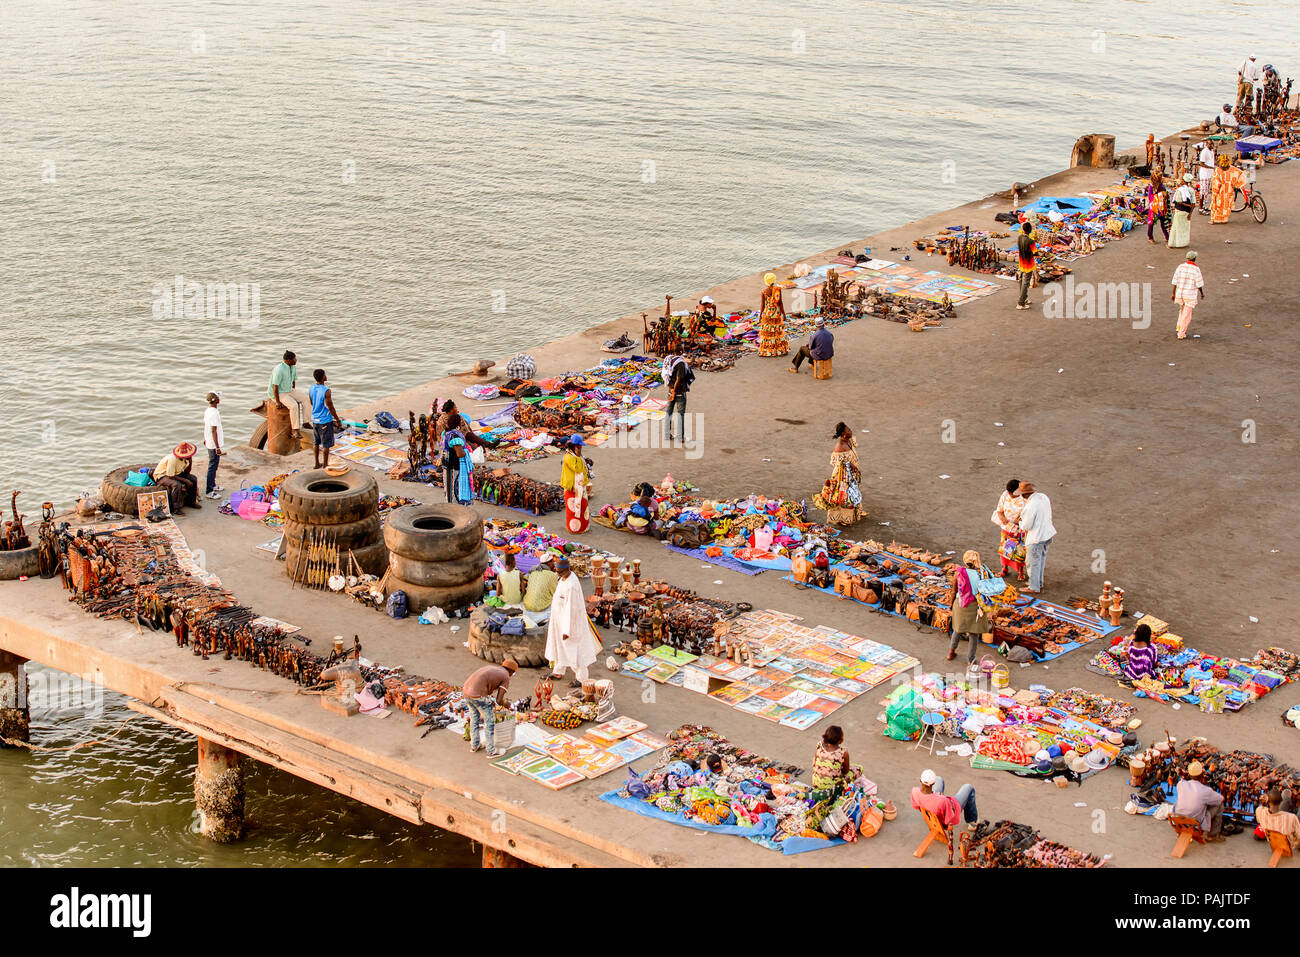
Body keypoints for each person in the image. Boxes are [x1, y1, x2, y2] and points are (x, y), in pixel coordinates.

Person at [544, 557, 602, 687]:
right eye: (557, 571)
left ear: (568, 569)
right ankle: (558, 671)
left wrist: (567, 630)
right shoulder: (563, 578)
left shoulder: (572, 585)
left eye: (560, 572)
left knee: (574, 651)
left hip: (569, 625)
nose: (558, 574)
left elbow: (572, 610)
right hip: (559, 621)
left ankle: (581, 678)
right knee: (559, 646)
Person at [462, 659, 518, 757]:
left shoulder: (491, 668)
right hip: (478, 696)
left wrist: (487, 699)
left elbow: (482, 684)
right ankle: (491, 751)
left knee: (474, 718)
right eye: (512, 674)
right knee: (489, 722)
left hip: (466, 692)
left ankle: (474, 745)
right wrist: (507, 705)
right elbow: (499, 700)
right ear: (511, 671)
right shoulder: (505, 677)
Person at [812, 422, 863, 526]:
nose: (850, 431)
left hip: (850, 474)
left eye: (849, 429)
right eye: (848, 430)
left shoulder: (849, 441)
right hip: (842, 475)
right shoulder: (839, 446)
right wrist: (850, 465)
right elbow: (838, 463)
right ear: (843, 434)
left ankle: (850, 516)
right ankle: (843, 519)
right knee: (844, 496)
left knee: (852, 493)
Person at [946, 550, 991, 665]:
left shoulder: (959, 572)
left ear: (965, 561)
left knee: (957, 629)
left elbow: (953, 591)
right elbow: (986, 591)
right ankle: (970, 660)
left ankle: (951, 652)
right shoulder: (981, 573)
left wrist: (951, 605)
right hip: (975, 606)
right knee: (973, 634)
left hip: (960, 604)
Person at [1016, 481, 1055, 595]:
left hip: (1036, 537)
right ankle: (1038, 582)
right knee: (1041, 560)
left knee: (1032, 562)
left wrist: (1020, 523)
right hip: (1047, 533)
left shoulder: (1030, 505)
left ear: (1024, 495)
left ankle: (1034, 586)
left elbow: (1027, 525)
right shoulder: (1043, 497)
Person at [912, 768, 978, 832]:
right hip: (946, 810)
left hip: (932, 807)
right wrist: (944, 800)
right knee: (968, 787)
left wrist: (938, 796)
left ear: (920, 780)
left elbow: (916, 806)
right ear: (933, 783)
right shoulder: (943, 800)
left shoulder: (915, 791)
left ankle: (937, 796)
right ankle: (972, 822)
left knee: (939, 779)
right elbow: (950, 818)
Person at [1174, 761, 1225, 841]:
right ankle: (1213, 835)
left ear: (1189, 775)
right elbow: (1220, 799)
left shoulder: (1181, 784)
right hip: (1195, 821)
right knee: (1220, 805)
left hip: (1178, 817)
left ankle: (1181, 829)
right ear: (1202, 775)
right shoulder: (1205, 790)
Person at [810, 725, 861, 805]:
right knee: (858, 768)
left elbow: (815, 762)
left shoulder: (819, 745)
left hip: (815, 783)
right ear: (840, 740)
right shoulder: (843, 752)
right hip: (832, 788)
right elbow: (846, 770)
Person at [991, 478, 1027, 582]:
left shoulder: (1024, 499)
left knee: (1019, 552)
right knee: (1006, 551)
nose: (1010, 494)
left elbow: (1028, 515)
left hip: (1019, 530)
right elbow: (999, 510)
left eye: (1012, 492)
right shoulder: (1005, 494)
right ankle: (1005, 568)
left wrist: (1019, 520)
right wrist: (1003, 519)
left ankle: (1020, 571)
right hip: (1007, 529)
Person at [268, 350, 310, 433]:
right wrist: (277, 401)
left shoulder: (293, 367)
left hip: (289, 390)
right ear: (288, 360)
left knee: (306, 399)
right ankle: (295, 429)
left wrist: (293, 392)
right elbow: (275, 386)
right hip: (279, 393)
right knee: (293, 406)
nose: (296, 360)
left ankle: (306, 422)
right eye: (294, 359)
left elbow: (293, 380)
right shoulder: (279, 369)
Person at [308, 369, 343, 469]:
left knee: (316, 442)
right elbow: (331, 407)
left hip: (315, 419)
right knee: (326, 444)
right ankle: (325, 464)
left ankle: (316, 463)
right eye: (325, 374)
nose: (326, 376)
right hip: (325, 420)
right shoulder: (326, 391)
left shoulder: (311, 388)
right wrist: (337, 419)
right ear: (323, 377)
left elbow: (311, 402)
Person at [155, 442, 201, 513]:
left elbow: (187, 472)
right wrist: (185, 481)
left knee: (193, 479)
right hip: (162, 475)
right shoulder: (172, 459)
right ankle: (176, 508)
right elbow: (170, 475)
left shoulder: (185, 459)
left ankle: (191, 502)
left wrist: (190, 461)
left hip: (176, 473)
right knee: (176, 485)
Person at [440, 412, 474, 504]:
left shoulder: (447, 433)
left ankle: (451, 506)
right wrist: (466, 452)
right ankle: (455, 509)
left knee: (449, 487)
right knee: (455, 488)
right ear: (458, 423)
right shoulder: (454, 436)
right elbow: (459, 453)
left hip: (448, 465)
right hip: (454, 465)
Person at [1171, 251, 1206, 341]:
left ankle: (1179, 327)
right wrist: (1201, 293)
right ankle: (1181, 333)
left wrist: (1173, 293)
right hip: (1189, 295)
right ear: (1195, 258)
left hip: (1180, 293)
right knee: (1187, 315)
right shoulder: (1196, 269)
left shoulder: (1180, 267)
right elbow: (1199, 284)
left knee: (1182, 310)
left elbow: (1175, 281)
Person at [560, 435, 591, 534]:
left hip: (580, 485)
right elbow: (577, 469)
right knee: (573, 509)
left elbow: (582, 466)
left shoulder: (575, 455)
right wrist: (578, 455)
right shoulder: (569, 457)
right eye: (579, 446)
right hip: (572, 487)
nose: (581, 448)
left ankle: (584, 527)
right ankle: (575, 529)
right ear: (574, 446)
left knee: (583, 507)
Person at [661, 354, 692, 443]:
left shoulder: (668, 359)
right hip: (679, 392)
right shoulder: (680, 363)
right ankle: (680, 437)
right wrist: (674, 391)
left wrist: (671, 389)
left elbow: (664, 374)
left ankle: (667, 435)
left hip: (670, 390)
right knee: (680, 414)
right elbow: (679, 378)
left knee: (668, 412)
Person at [757, 272, 788, 357]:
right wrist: (784, 314)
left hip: (767, 314)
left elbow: (762, 305)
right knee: (776, 332)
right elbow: (780, 303)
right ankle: (778, 350)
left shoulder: (764, 292)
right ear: (773, 280)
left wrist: (760, 316)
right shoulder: (777, 290)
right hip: (775, 313)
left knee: (768, 333)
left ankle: (767, 352)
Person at [1210, 155, 1247, 225]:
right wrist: (1236, 185)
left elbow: (1216, 183)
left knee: (1218, 205)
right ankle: (1224, 219)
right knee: (1226, 206)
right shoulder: (1233, 169)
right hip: (1229, 191)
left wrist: (1214, 192)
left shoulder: (1218, 170)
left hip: (1221, 192)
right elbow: (1241, 174)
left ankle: (1216, 219)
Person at [202, 392, 225, 500]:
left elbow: (206, 426)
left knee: (214, 465)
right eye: (218, 397)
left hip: (210, 441)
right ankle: (209, 491)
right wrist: (217, 447)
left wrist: (205, 439)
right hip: (213, 444)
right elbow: (213, 430)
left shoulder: (209, 410)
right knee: (212, 466)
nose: (220, 398)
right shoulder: (213, 413)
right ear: (215, 400)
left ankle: (213, 485)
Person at [1168, 174, 1196, 248]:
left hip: (1179, 211)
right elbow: (1193, 203)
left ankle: (1171, 244)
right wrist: (1190, 214)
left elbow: (1178, 201)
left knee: (1175, 228)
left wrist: (1187, 205)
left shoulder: (1180, 190)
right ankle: (1183, 243)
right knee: (1185, 228)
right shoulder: (1192, 190)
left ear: (1183, 181)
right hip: (1187, 212)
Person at [1145, 169, 1170, 244]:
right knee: (1151, 222)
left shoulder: (1161, 185)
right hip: (1154, 206)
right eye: (1160, 176)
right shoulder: (1151, 186)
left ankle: (1167, 237)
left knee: (1163, 222)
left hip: (1161, 206)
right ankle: (1150, 237)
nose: (1161, 177)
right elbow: (1150, 197)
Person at [1015, 221, 1035, 310]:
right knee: (1025, 283)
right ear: (1030, 230)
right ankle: (1021, 303)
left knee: (1021, 280)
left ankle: (1024, 298)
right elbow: (1035, 252)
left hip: (1021, 262)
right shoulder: (1030, 241)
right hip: (1028, 264)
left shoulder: (1019, 237)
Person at [1195, 142, 1215, 213]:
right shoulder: (1204, 152)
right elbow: (1201, 163)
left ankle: (1203, 206)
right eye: (1210, 144)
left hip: (1210, 174)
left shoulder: (1212, 151)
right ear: (1207, 145)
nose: (1211, 145)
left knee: (1206, 191)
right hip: (1205, 174)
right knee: (1202, 192)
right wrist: (1211, 167)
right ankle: (1200, 208)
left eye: (1212, 144)